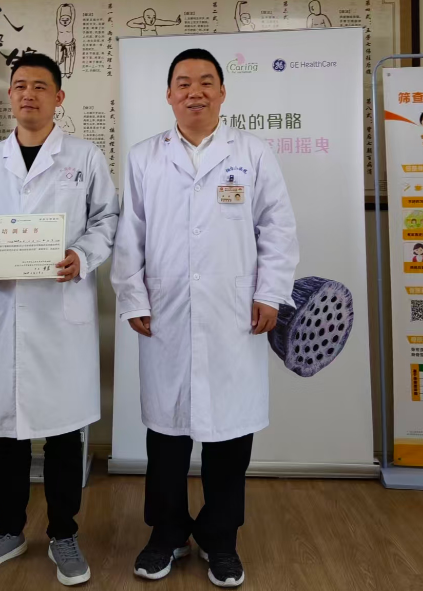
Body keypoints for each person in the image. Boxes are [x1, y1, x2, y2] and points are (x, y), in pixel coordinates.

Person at [111, 48, 298, 587]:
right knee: (167, 436)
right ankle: (166, 534)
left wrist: (270, 293)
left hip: (233, 313)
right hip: (166, 311)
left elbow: (277, 228)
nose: (195, 91)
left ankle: (221, 539)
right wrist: (134, 297)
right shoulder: (145, 157)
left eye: (206, 82)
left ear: (222, 92)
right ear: (169, 94)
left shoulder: (253, 154)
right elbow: (130, 235)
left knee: (229, 437)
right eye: (184, 82)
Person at [0, 53, 119, 586]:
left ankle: (64, 533)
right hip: (4, 309)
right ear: (11, 96)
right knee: (8, 433)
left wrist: (82, 257)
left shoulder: (84, 157)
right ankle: (8, 530)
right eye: (20, 85)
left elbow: (107, 219)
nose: (28, 94)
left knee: (65, 433)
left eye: (40, 86)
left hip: (59, 312)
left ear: (58, 97)